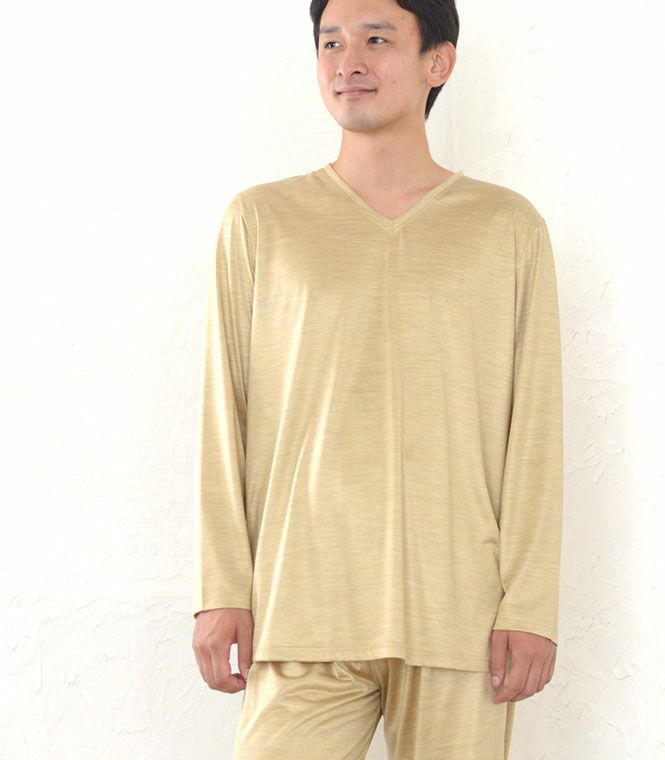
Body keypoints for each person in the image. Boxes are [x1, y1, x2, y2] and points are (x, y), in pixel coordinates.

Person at [191, 0, 564, 757]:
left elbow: (535, 429)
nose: (347, 61)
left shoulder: (506, 228)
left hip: (460, 615)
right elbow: (224, 417)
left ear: (438, 61)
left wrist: (529, 604)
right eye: (330, 42)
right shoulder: (261, 222)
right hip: (299, 607)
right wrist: (223, 587)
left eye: (376, 39)